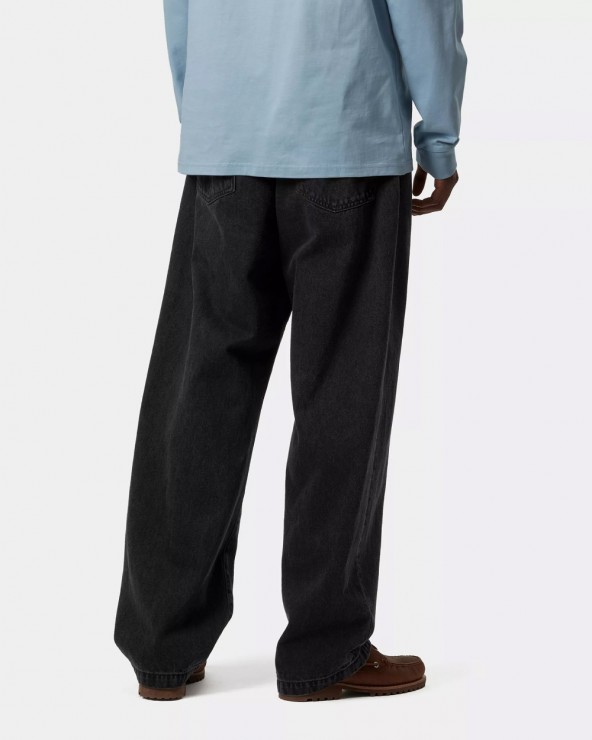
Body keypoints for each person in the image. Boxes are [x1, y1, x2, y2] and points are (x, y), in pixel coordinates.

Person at [114, 0, 467, 702]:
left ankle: (164, 643)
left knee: (199, 394)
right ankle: (324, 651)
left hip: (225, 137)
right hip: (343, 131)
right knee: (341, 397)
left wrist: (206, 113)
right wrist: (440, 134)